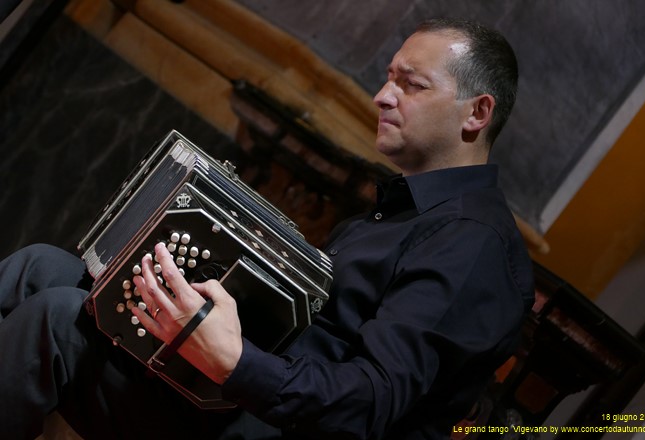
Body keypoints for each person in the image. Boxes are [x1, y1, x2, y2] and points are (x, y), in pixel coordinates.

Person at [0, 17, 534, 440]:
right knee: (38, 266)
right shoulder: (401, 210)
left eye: (411, 84)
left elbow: (369, 403)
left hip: (269, 425)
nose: (382, 95)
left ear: (477, 113)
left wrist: (234, 361)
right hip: (245, 400)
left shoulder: (475, 246)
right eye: (389, 77)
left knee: (57, 318)